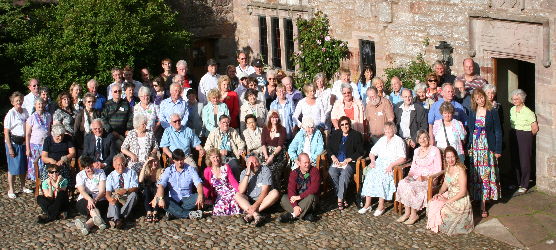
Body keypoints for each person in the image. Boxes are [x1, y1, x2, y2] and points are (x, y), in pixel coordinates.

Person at [467, 88, 502, 217]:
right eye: (478, 99)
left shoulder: (492, 110)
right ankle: (477, 197)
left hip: (487, 147)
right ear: (474, 100)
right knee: (476, 174)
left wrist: (498, 149)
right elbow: (470, 130)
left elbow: (498, 130)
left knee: (486, 174)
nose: (480, 100)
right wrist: (469, 146)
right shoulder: (472, 111)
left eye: (482, 97)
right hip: (475, 148)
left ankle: (484, 204)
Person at [359, 122, 406, 216]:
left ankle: (381, 205)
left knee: (382, 178)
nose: (387, 131)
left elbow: (403, 158)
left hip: (392, 165)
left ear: (394, 130)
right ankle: (367, 204)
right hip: (379, 163)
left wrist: (392, 165)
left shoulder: (399, 140)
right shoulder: (382, 139)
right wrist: (372, 161)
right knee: (370, 176)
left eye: (390, 129)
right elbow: (372, 152)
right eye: (386, 129)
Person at [395, 130, 442, 224]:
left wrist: (424, 178)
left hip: (429, 179)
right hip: (416, 177)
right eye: (420, 138)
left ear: (428, 139)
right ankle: (407, 213)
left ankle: (414, 214)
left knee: (411, 187)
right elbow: (413, 167)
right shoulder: (416, 151)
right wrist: (409, 176)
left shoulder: (434, 150)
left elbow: (438, 169)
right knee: (403, 183)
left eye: (425, 137)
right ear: (417, 140)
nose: (422, 140)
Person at [426, 146, 474, 235]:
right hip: (450, 193)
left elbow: (463, 192)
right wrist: (439, 193)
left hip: (460, 199)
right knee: (432, 202)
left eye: (452, 157)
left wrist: (447, 201)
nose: (450, 160)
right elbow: (446, 183)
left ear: (456, 156)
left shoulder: (461, 170)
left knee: (444, 210)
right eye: (448, 157)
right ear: (445, 158)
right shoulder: (448, 167)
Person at [152, 149, 204, 220]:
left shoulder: (190, 169)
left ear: (184, 159)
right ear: (173, 160)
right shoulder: (168, 170)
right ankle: (189, 214)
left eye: (181, 160)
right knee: (161, 199)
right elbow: (161, 185)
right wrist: (161, 199)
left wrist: (200, 195)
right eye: (177, 160)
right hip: (173, 200)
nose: (180, 162)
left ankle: (174, 213)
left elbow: (198, 183)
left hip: (187, 199)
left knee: (199, 196)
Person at [327, 116, 365, 210]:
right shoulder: (336, 134)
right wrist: (333, 156)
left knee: (344, 173)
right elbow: (329, 148)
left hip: (349, 162)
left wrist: (349, 159)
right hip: (337, 161)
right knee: (331, 171)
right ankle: (342, 195)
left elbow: (361, 151)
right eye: (342, 124)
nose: (344, 126)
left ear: (349, 124)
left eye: (346, 124)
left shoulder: (356, 135)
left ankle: (340, 199)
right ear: (340, 126)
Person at [234, 155, 280, 226]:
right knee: (237, 195)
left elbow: (265, 191)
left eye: (256, 162)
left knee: (275, 193)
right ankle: (256, 215)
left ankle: (250, 214)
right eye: (252, 163)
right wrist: (247, 174)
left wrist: (256, 205)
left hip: (263, 200)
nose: (255, 165)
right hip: (250, 200)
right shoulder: (244, 172)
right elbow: (241, 191)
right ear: (247, 165)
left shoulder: (265, 170)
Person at [509, 89, 538, 195]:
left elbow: (535, 128)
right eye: (513, 99)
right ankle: (517, 183)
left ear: (522, 99)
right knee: (515, 158)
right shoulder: (512, 109)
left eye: (517, 99)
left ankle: (525, 184)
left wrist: (527, 137)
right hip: (514, 133)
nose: (514, 101)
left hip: (525, 135)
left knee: (524, 160)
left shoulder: (528, 112)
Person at [279, 153, 320, 223]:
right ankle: (304, 215)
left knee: (311, 197)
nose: (307, 165)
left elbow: (314, 188)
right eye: (305, 163)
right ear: (299, 163)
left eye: (308, 162)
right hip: (298, 200)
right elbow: (291, 190)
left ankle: (293, 215)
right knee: (284, 198)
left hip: (308, 199)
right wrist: (295, 206)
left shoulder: (314, 171)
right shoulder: (294, 173)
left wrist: (300, 197)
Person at [74, 156, 108, 235]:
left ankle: (86, 226)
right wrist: (89, 199)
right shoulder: (79, 175)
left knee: (93, 208)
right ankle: (99, 220)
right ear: (83, 168)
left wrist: (95, 199)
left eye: (91, 166)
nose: (90, 169)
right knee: (91, 207)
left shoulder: (100, 172)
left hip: (99, 198)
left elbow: (102, 190)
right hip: (85, 198)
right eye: (87, 168)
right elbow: (82, 191)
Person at [4, 92, 30, 198]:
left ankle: (23, 186)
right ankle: (11, 189)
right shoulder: (11, 113)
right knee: (13, 168)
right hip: (14, 143)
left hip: (23, 143)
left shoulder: (25, 111)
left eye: (20, 100)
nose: (19, 102)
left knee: (23, 167)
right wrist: (10, 148)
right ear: (12, 102)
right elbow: (6, 132)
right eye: (16, 101)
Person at [204, 115, 246, 179]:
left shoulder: (233, 131)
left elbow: (241, 143)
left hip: (230, 155)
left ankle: (236, 185)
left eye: (227, 122)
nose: (226, 124)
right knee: (218, 168)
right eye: (223, 122)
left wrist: (240, 149)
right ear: (219, 123)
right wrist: (218, 151)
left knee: (235, 166)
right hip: (217, 156)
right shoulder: (214, 132)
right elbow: (207, 147)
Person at [202, 149, 241, 216]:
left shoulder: (226, 167)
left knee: (235, 202)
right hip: (218, 194)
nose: (216, 159)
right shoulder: (207, 170)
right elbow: (206, 186)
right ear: (209, 159)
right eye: (213, 157)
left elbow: (233, 181)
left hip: (230, 191)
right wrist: (205, 197)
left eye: (217, 156)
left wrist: (239, 191)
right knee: (220, 208)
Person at [105, 154, 139, 229]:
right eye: (118, 164)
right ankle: (117, 220)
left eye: (122, 164)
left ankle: (118, 218)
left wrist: (126, 190)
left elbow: (135, 187)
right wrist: (109, 198)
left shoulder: (131, 173)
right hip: (116, 196)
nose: (120, 167)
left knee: (134, 195)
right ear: (114, 165)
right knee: (112, 198)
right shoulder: (110, 176)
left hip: (127, 194)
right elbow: (108, 191)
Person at [26, 98, 52, 181]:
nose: (40, 105)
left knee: (45, 165)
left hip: (46, 144)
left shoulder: (48, 115)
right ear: (35, 105)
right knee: (36, 165)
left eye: (42, 103)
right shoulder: (31, 118)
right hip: (35, 145)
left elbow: (50, 130)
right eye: (39, 104)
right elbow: (27, 134)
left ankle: (45, 183)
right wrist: (27, 149)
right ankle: (37, 185)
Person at [261, 110, 288, 189]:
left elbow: (280, 145)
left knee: (274, 169)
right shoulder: (265, 128)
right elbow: (263, 144)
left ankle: (276, 189)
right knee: (263, 167)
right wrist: (266, 156)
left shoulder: (282, 129)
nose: (274, 119)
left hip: (278, 153)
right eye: (272, 117)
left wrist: (272, 156)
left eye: (276, 117)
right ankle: (264, 189)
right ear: (269, 118)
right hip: (266, 152)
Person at [139, 153, 164, 222]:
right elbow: (140, 180)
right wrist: (145, 165)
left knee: (157, 190)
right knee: (146, 190)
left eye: (155, 161)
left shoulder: (161, 171)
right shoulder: (147, 171)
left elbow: (160, 185)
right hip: (148, 192)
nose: (153, 163)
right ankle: (149, 212)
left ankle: (155, 212)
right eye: (151, 162)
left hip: (157, 191)